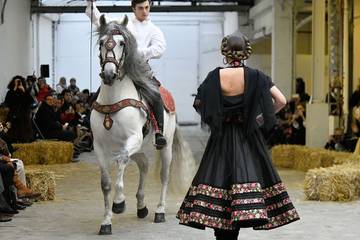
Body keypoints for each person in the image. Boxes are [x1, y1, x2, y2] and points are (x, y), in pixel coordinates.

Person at [176, 31, 300, 239]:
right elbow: (281, 101)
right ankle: (242, 218)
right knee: (250, 180)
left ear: (225, 52)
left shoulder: (215, 76)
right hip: (248, 139)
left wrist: (218, 118)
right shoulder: (257, 76)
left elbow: (199, 104)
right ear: (246, 53)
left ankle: (223, 233)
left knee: (219, 185)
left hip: (221, 139)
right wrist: (257, 119)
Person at [86, 0, 167, 148]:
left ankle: (158, 131)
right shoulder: (123, 23)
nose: (144, 11)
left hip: (141, 68)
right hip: (121, 68)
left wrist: (137, 53)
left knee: (155, 94)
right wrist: (91, 4)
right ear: (133, 8)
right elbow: (99, 20)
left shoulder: (153, 29)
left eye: (147, 8)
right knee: (98, 94)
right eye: (141, 8)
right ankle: (90, 130)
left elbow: (160, 48)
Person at [4, 75, 35, 143]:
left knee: (25, 135)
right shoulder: (10, 92)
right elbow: (7, 102)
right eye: (16, 82)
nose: (18, 83)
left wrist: (24, 91)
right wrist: (14, 89)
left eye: (19, 82)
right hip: (13, 116)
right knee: (12, 135)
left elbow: (31, 102)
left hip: (24, 116)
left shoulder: (25, 92)